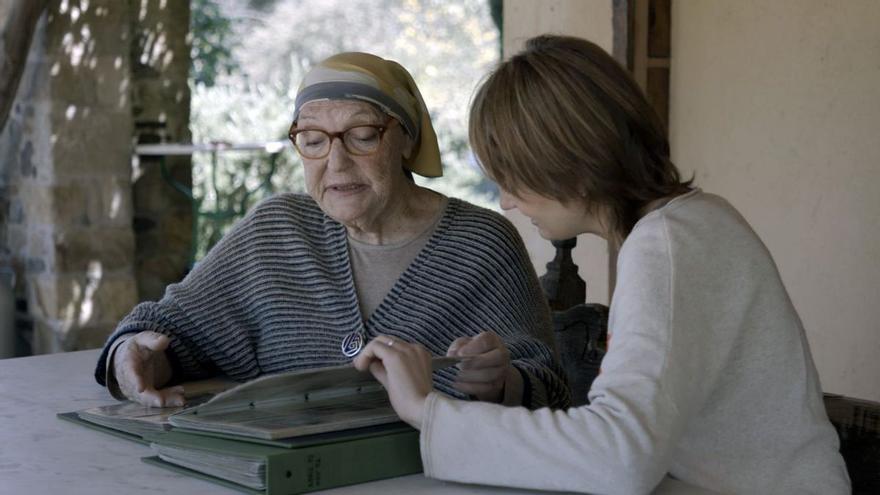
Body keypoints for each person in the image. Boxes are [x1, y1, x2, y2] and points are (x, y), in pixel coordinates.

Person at [353, 35, 850, 494]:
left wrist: (425, 409)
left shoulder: (667, 247)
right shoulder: (694, 223)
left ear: (569, 162)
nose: (505, 202)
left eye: (513, 178)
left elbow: (620, 454)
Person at [94, 52, 570, 412]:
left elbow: (550, 383)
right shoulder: (274, 231)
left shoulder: (482, 242)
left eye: (362, 136)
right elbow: (171, 330)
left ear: (405, 138)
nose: (336, 162)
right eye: (313, 140)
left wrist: (506, 383)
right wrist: (132, 358)